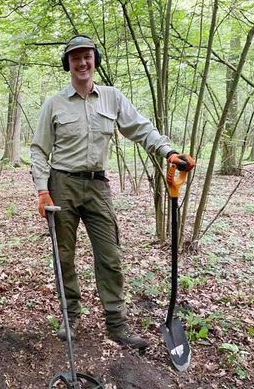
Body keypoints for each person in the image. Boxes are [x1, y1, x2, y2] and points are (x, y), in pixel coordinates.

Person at [30, 35, 195, 349]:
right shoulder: (54, 103)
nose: (82, 63)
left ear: (95, 60)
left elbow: (140, 127)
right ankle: (70, 317)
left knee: (110, 255)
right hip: (62, 184)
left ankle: (116, 324)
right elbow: (39, 150)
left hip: (98, 186)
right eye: (75, 58)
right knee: (63, 255)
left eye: (87, 56)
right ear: (68, 64)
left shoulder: (112, 97)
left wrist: (168, 152)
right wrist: (42, 191)